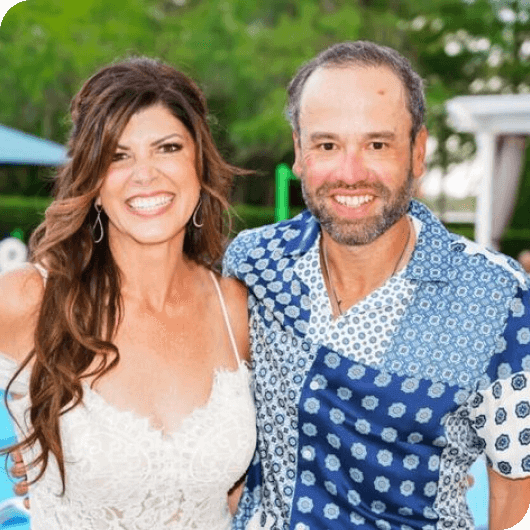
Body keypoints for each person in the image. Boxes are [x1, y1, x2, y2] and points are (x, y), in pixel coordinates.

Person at [224, 41, 530, 530]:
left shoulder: (496, 297)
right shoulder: (252, 263)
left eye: (377, 144)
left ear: (418, 152)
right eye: (327, 145)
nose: (350, 173)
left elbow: (516, 486)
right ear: (300, 151)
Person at [0, 57, 256, 529]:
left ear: (198, 165)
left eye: (167, 148)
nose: (145, 174)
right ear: (93, 183)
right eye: (118, 156)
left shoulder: (235, 307)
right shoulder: (30, 300)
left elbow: (245, 491)